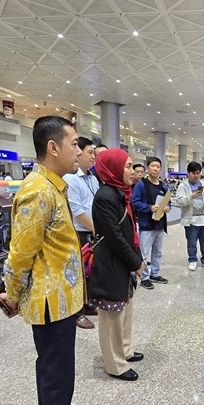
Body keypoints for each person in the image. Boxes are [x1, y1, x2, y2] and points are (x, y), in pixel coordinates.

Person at [0, 115, 100, 405]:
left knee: (52, 362)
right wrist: (11, 292)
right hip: (49, 299)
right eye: (74, 145)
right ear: (53, 147)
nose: (79, 151)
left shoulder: (53, 186)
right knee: (57, 366)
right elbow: (21, 251)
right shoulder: (37, 191)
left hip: (60, 295)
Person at [89, 149, 146, 382]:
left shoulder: (121, 192)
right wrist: (136, 262)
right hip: (112, 262)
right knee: (112, 315)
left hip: (124, 262)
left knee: (125, 309)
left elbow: (130, 230)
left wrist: (136, 258)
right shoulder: (105, 196)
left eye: (132, 166)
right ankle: (115, 364)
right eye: (127, 166)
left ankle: (125, 350)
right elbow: (113, 236)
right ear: (112, 168)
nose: (131, 172)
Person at [63, 137, 99, 330]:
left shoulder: (92, 178)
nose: (93, 156)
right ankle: (76, 313)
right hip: (80, 232)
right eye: (90, 152)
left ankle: (86, 304)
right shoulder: (70, 178)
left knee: (88, 272)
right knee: (77, 273)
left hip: (92, 231)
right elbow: (77, 211)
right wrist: (95, 228)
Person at [131, 157, 170, 290]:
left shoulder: (163, 186)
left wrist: (167, 207)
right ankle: (144, 277)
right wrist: (149, 208)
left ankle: (155, 273)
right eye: (152, 166)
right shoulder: (141, 185)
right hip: (147, 225)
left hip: (160, 224)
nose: (155, 169)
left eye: (158, 166)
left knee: (157, 252)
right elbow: (134, 202)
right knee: (144, 252)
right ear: (148, 167)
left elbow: (167, 201)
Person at [173, 161, 204, 271]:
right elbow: (179, 202)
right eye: (193, 173)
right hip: (191, 220)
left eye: (198, 173)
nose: (196, 175)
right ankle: (192, 260)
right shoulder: (183, 186)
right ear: (188, 173)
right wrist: (191, 196)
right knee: (192, 242)